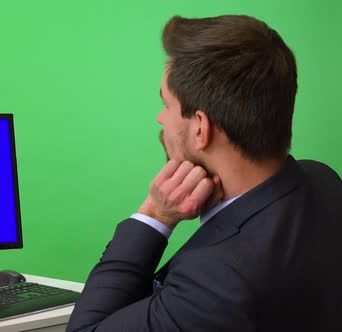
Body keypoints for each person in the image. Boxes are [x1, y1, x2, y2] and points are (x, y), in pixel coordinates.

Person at [66, 15, 342, 332]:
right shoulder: (322, 181)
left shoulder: (216, 281)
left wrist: (155, 214)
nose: (160, 118)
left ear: (201, 127)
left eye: (166, 105)